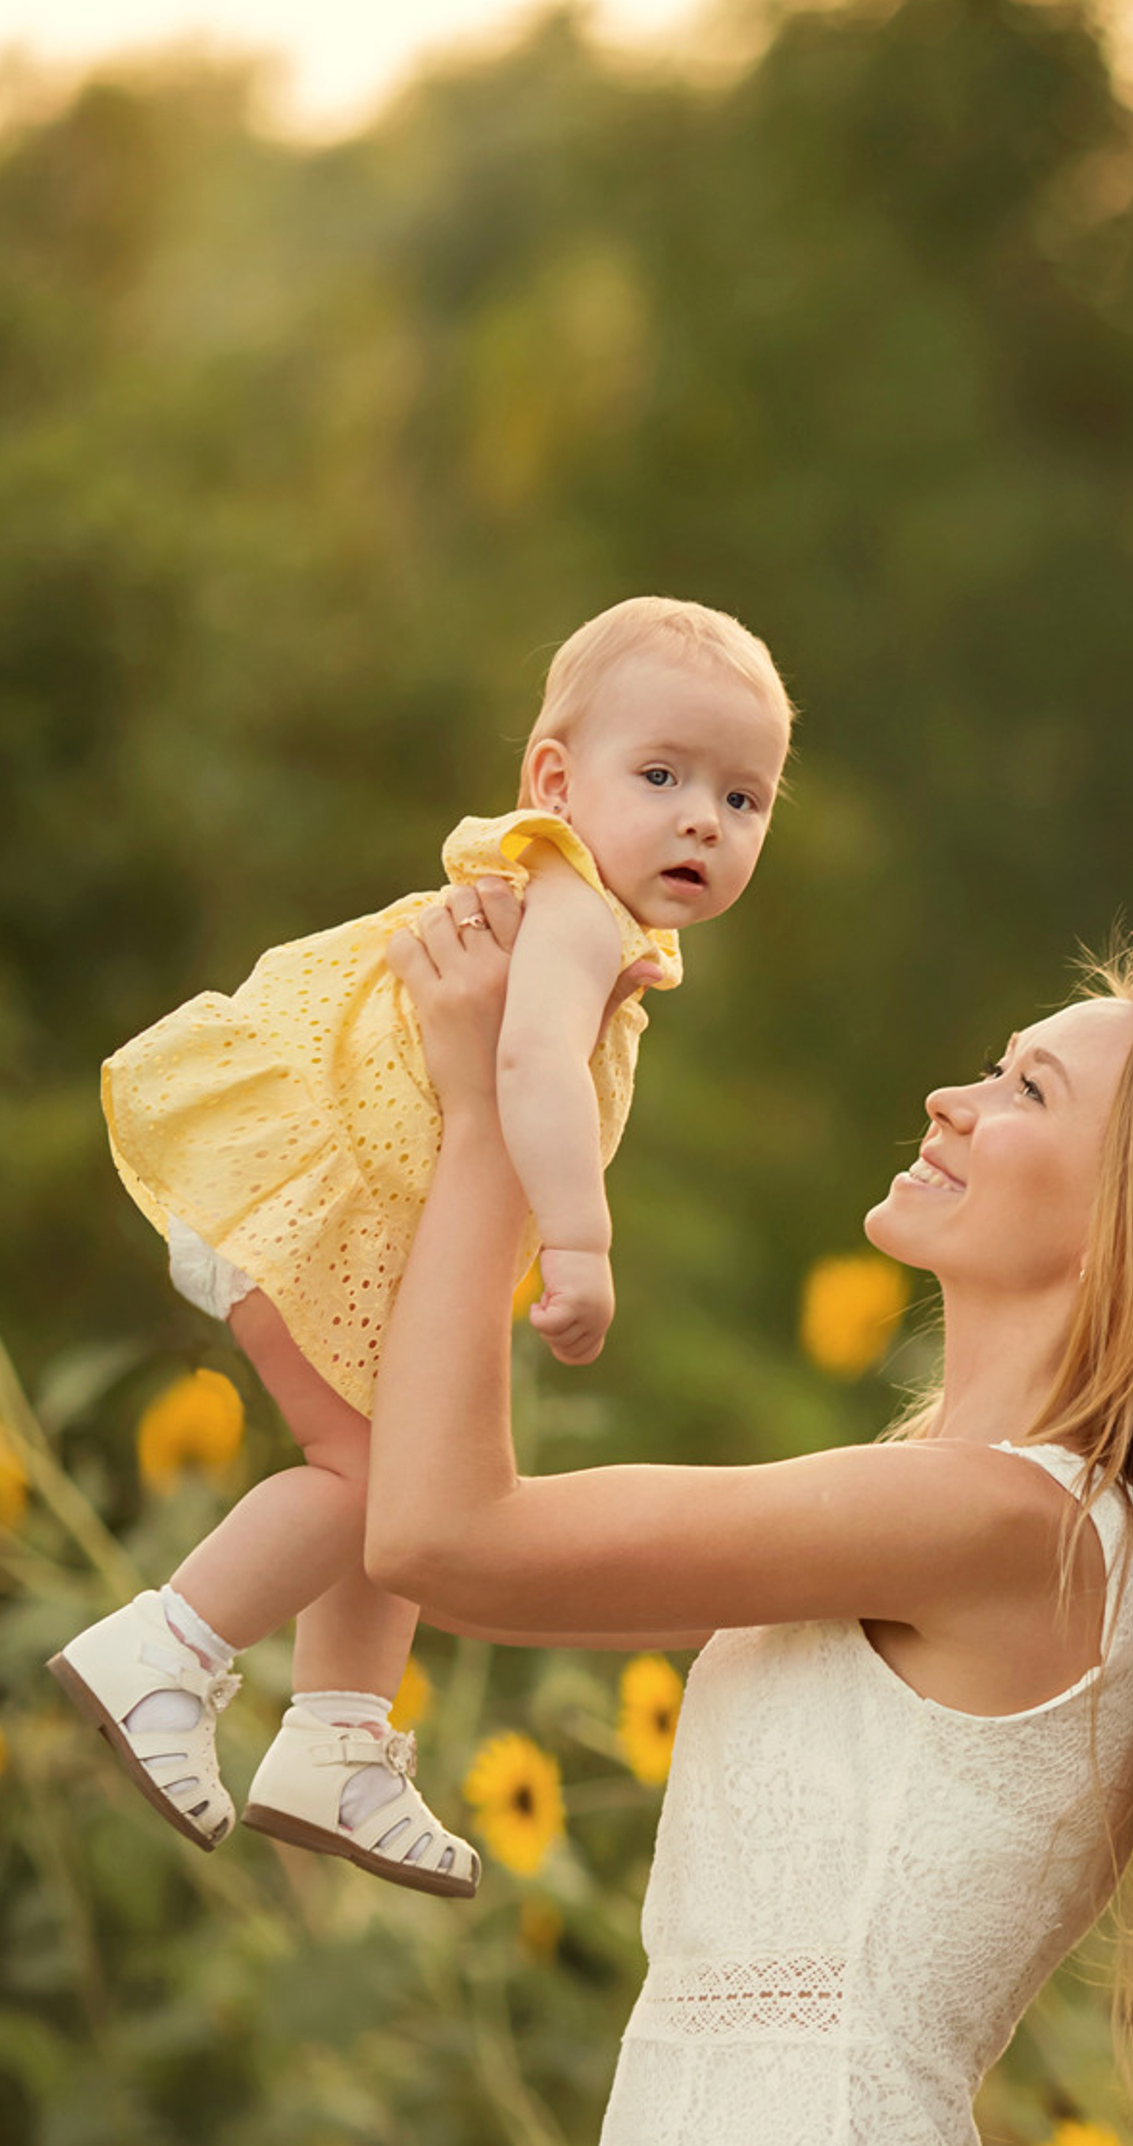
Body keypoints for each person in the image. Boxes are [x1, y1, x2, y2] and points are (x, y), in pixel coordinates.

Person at [361, 889, 1133, 2146]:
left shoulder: (1009, 1520)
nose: (953, 1098)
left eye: (1028, 1090)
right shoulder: (957, 1500)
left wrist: (493, 1120)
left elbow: (442, 1536)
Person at [51, 597, 793, 1893]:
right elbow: (526, 1066)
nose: (701, 821)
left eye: (744, 800)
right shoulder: (572, 904)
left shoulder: (596, 917)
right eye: (664, 776)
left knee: (405, 1473)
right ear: (556, 780)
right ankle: (168, 1649)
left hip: (364, 1215)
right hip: (321, 1199)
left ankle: (339, 1737)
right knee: (366, 1474)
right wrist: (579, 1241)